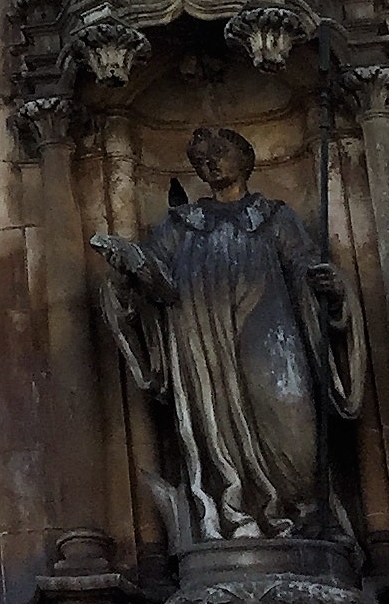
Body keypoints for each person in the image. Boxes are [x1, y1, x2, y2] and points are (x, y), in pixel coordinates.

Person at [92, 125, 365, 543]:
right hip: (204, 345)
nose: (210, 162)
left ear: (245, 156)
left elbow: (306, 266)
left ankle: (305, 510)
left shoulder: (275, 217)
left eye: (219, 151)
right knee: (217, 427)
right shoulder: (181, 226)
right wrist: (131, 267)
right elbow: (158, 283)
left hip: (269, 324)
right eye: (201, 159)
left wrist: (330, 285)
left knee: (292, 412)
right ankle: (237, 514)